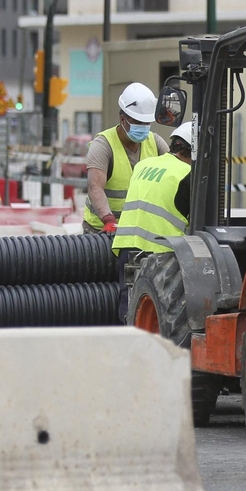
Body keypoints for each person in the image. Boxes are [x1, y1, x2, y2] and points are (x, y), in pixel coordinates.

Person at [113, 120, 196, 322]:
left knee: (129, 309)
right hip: (161, 254)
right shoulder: (187, 174)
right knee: (160, 319)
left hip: (126, 247)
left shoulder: (143, 165)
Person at [84, 82, 167, 233]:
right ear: (123, 120)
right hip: (102, 232)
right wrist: (109, 220)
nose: (143, 127)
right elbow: (95, 187)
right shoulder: (103, 145)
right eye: (138, 122)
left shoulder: (155, 142)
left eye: (147, 123)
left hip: (137, 232)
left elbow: (174, 172)